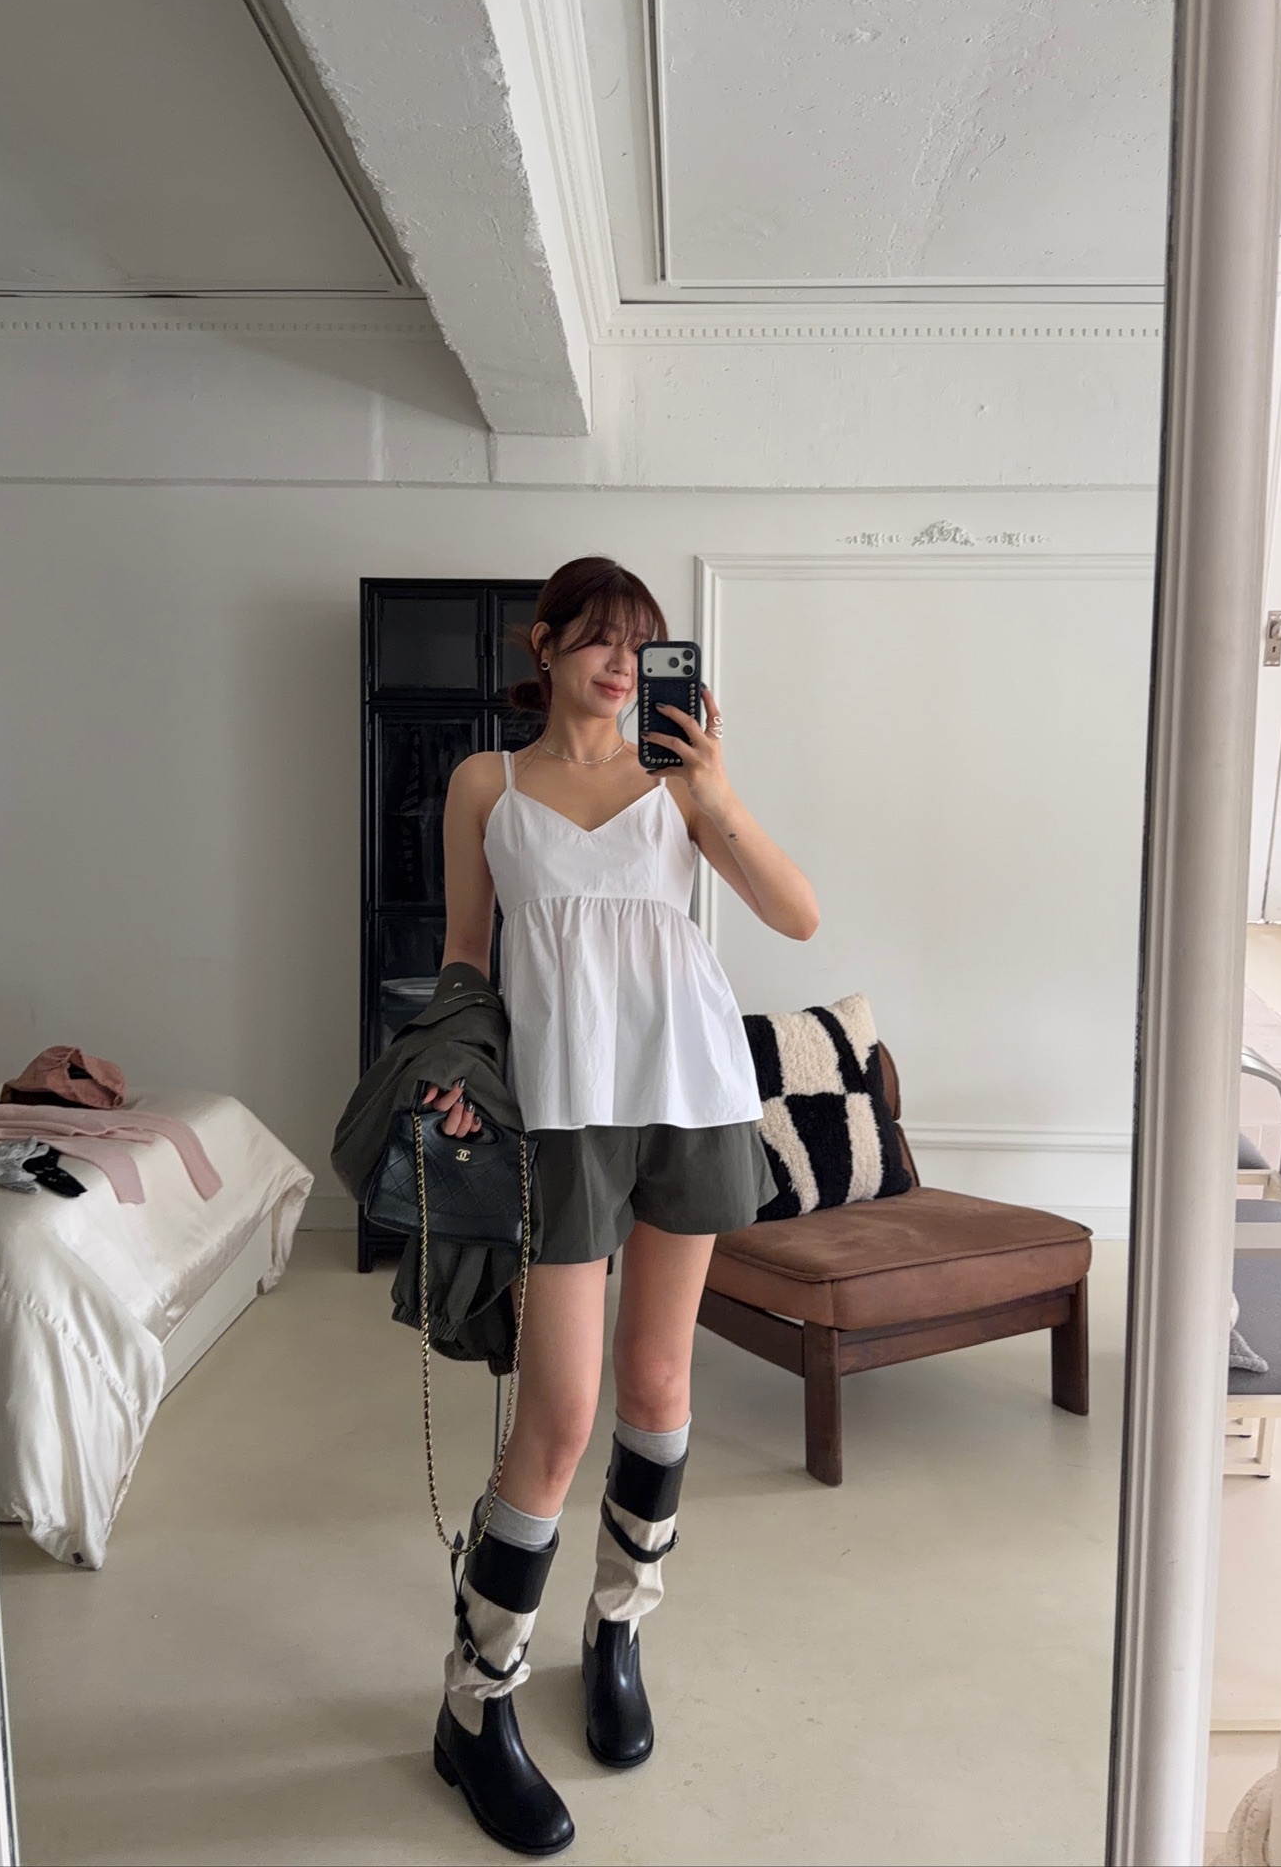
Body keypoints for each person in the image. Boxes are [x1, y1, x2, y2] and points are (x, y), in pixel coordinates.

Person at [427, 554, 818, 1856]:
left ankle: (616, 1631)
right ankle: (475, 1702)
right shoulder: (486, 783)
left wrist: (715, 793)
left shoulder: (676, 779)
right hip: (559, 1109)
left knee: (656, 1386)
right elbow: (466, 955)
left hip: (689, 1092)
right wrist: (456, 1072)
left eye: (641, 644)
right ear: (542, 645)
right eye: (596, 637)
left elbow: (797, 917)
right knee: (559, 1415)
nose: (619, 663)